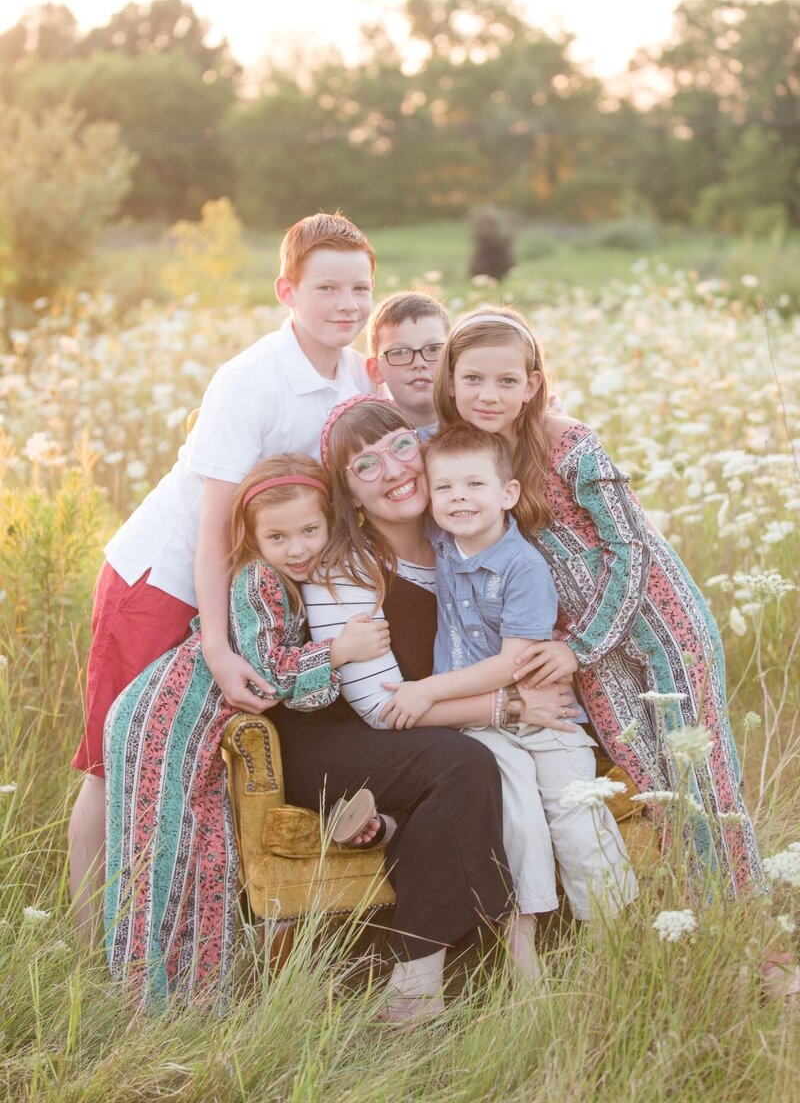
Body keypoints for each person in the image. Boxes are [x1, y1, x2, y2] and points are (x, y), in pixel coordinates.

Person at [69, 211, 377, 940]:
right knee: (116, 760)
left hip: (246, 592)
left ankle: (186, 929)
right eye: (327, 288)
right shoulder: (249, 381)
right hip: (167, 581)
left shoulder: (357, 376)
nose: (347, 305)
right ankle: (85, 938)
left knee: (205, 764)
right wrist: (215, 644)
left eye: (360, 288)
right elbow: (212, 531)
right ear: (287, 291)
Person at [432, 306, 764, 896]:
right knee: (650, 781)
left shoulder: (568, 441)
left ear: (533, 383)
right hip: (586, 654)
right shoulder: (468, 460)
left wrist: (579, 647)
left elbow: (629, 546)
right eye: (473, 378)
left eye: (508, 380)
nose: (489, 394)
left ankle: (755, 937)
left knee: (702, 779)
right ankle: (698, 912)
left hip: (659, 629)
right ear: (450, 380)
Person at [300, 395, 580, 1001]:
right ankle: (415, 986)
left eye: (401, 447)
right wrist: (508, 707)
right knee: (462, 763)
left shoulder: (460, 532)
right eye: (365, 466)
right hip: (337, 737)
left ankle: (393, 841)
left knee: (471, 765)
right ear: (347, 494)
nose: (395, 470)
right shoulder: (345, 569)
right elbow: (381, 708)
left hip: (423, 725)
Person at [103, 456, 390, 1011]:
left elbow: (295, 689)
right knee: (160, 857)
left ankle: (198, 998)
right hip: (165, 721)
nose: (298, 548)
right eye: (278, 537)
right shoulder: (258, 578)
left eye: (309, 530)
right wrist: (340, 651)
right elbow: (268, 674)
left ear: (330, 522)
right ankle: (144, 1001)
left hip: (201, 731)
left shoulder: (294, 582)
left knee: (211, 854)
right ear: (255, 540)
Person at [378, 422, 637, 961]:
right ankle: (524, 957)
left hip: (546, 713)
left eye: (475, 485)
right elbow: (406, 465)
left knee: (575, 813)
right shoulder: (442, 542)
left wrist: (426, 689)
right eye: (444, 488)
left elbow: (513, 663)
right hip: (483, 725)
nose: (459, 498)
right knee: (516, 819)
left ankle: (613, 946)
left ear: (508, 494)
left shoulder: (524, 566)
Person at [365, 291, 449, 440]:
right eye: (400, 352)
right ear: (376, 370)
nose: (419, 364)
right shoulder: (372, 441)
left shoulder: (481, 424)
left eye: (433, 349)